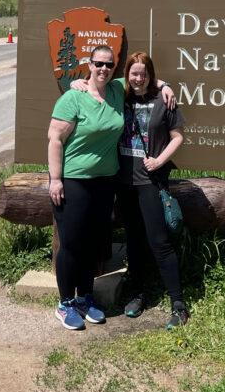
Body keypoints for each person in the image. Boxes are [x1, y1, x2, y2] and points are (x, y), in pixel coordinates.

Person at [49, 45, 174, 331]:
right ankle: (65, 303)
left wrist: (165, 86)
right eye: (98, 64)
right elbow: (54, 139)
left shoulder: (117, 90)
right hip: (74, 180)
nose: (103, 69)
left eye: (108, 64)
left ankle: (86, 298)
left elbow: (145, 78)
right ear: (89, 65)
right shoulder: (74, 97)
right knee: (71, 244)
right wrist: (56, 179)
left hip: (105, 181)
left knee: (93, 241)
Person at [117, 52, 189, 330]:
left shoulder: (164, 100)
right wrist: (80, 84)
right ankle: (138, 294)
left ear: (151, 75)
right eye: (133, 73)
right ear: (127, 75)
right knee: (134, 241)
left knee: (159, 243)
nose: (138, 79)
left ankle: (178, 304)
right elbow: (99, 83)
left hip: (150, 181)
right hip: (123, 182)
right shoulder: (120, 97)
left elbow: (178, 135)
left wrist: (159, 161)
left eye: (143, 74)